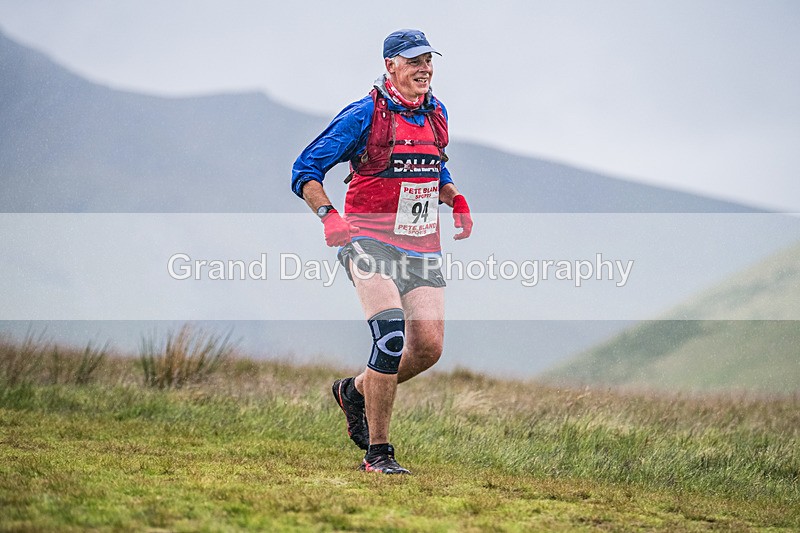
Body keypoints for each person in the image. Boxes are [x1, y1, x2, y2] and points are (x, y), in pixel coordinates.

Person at [291, 29, 473, 475]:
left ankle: (354, 392)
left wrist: (453, 196)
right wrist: (329, 216)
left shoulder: (436, 112)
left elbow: (433, 160)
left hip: (421, 243)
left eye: (429, 60)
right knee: (390, 337)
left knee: (427, 348)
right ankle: (379, 454)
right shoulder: (362, 114)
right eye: (413, 61)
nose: (424, 68)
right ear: (391, 65)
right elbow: (305, 169)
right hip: (368, 239)